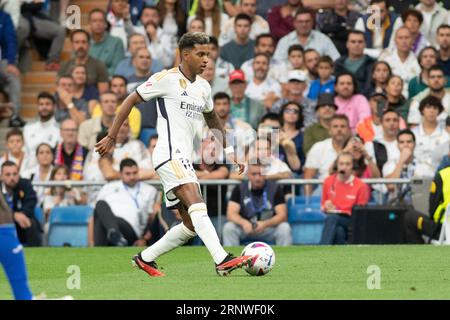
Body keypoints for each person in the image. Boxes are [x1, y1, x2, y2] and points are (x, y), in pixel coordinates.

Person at [95, 32, 252, 277]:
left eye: (208, 55)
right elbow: (129, 100)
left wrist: (229, 150)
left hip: (183, 158)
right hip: (168, 154)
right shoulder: (165, 79)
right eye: (200, 54)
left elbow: (212, 117)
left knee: (190, 224)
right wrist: (112, 136)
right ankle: (221, 259)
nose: (206, 60)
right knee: (198, 204)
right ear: (185, 53)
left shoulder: (203, 86)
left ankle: (145, 258)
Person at [222, 161, 292, 246]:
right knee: (229, 228)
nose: (257, 178)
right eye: (254, 174)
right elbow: (231, 213)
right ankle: (232, 258)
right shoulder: (239, 189)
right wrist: (244, 223)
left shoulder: (275, 188)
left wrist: (264, 224)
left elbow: (282, 215)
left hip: (267, 228)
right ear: (248, 174)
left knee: (284, 228)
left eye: (260, 174)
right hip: (246, 228)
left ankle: (284, 257)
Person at [93, 158, 158, 246]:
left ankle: (114, 234)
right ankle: (114, 235)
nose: (132, 177)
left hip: (132, 230)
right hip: (107, 224)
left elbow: (152, 218)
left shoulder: (149, 190)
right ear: (120, 174)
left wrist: (144, 239)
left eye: (135, 173)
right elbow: (95, 214)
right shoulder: (108, 187)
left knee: (105, 221)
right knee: (100, 205)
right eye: (128, 174)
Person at [319, 152, 370, 244]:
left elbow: (361, 212)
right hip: (334, 217)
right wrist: (326, 207)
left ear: (352, 166)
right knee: (338, 231)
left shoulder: (360, 185)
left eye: (347, 164)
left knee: (332, 219)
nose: (344, 167)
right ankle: (342, 254)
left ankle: (322, 249)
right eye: (341, 164)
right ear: (337, 165)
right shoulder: (328, 181)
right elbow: (323, 205)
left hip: (351, 219)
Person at [304, 114, 352, 195]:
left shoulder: (356, 148)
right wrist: (308, 201)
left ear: (349, 130)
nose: (339, 129)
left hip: (350, 187)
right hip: (325, 188)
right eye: (335, 126)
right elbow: (308, 176)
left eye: (343, 126)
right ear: (329, 131)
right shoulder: (318, 147)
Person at [273, 7, 340, 64]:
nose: (304, 25)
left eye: (307, 21)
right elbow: (277, 64)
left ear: (312, 22)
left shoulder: (323, 39)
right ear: (294, 23)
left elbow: (336, 61)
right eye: (300, 21)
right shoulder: (285, 41)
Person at [1, 161, 39, 247]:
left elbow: (31, 202)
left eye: (15, 174)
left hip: (21, 221)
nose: (12, 178)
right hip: (2, 222)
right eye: (8, 175)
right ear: (1, 176)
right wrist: (13, 215)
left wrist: (21, 215)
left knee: (31, 222)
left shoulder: (25, 184)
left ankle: (35, 250)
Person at [58, 29, 109, 94]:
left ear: (89, 44)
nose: (80, 46)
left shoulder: (99, 65)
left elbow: (104, 94)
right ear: (72, 45)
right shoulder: (64, 66)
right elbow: (59, 91)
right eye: (77, 42)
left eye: (83, 42)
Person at [411, 96, 450, 178]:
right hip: (417, 175)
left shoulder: (446, 134)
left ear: (439, 111)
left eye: (435, 108)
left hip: (441, 175)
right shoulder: (412, 133)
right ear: (422, 110)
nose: (431, 111)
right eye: (428, 107)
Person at [379, 27, 422, 98]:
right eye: (400, 38)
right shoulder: (386, 60)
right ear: (395, 41)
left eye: (407, 38)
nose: (404, 41)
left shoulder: (419, 61)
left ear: (412, 40)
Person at [23, 92, 60, 169]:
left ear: (54, 107)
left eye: (47, 104)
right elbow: (24, 154)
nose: (44, 107)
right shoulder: (28, 128)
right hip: (28, 173)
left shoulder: (60, 130)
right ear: (37, 107)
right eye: (41, 104)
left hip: (51, 175)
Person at [88, 8, 125, 77]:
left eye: (101, 21)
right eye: (94, 21)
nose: (98, 23)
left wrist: (98, 77)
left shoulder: (116, 42)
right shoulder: (83, 42)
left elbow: (117, 67)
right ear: (89, 24)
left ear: (105, 24)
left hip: (109, 80)